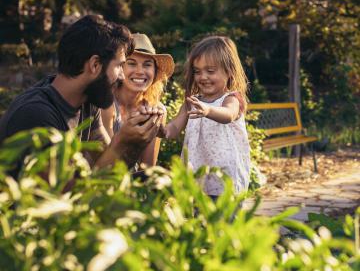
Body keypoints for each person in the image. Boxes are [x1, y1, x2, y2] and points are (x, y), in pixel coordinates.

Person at [0, 15, 163, 177]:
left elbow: (108, 168)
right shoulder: (36, 115)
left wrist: (134, 143)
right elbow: (72, 196)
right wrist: (123, 142)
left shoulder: (88, 101)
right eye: (120, 65)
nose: (122, 76)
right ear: (95, 64)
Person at [161, 36, 250, 200]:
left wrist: (209, 110)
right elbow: (173, 129)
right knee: (202, 222)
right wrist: (161, 130)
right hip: (198, 178)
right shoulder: (192, 102)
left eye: (210, 71)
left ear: (229, 72)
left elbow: (228, 115)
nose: (203, 77)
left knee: (225, 222)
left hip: (226, 179)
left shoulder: (231, 99)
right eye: (197, 71)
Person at [101, 33, 174, 166]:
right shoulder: (106, 105)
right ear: (120, 68)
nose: (140, 71)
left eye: (147, 65)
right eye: (132, 64)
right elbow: (103, 164)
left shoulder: (156, 111)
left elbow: (147, 167)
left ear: (155, 71)